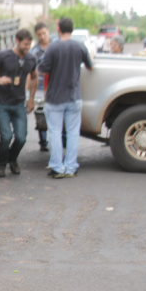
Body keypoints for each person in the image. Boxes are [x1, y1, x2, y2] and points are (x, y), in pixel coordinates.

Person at [39, 17, 94, 178]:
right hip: (74, 96)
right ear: (72, 29)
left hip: (55, 98)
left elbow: (43, 71)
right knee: (72, 132)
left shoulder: (52, 48)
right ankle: (71, 167)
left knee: (55, 132)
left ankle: (57, 167)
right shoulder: (80, 47)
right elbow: (90, 66)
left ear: (58, 28)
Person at [0, 28, 38, 178]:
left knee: (21, 137)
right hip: (1, 103)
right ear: (17, 41)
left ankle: (12, 159)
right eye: (25, 44)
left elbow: (34, 77)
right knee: (6, 136)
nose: (27, 47)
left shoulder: (31, 59)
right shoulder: (4, 56)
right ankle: (1, 165)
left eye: (29, 44)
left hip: (18, 103)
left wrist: (31, 98)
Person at [29, 22, 53, 152]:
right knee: (41, 113)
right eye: (39, 35)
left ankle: (63, 137)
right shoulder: (35, 52)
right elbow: (32, 72)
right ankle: (43, 141)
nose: (42, 36)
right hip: (40, 86)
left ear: (48, 31)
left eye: (44, 33)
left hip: (55, 84)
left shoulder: (56, 45)